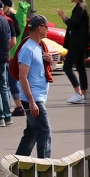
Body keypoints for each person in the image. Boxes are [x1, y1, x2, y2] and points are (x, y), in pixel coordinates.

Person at [15, 15, 55, 158]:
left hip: (38, 98)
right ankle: (45, 170)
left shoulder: (38, 47)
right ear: (39, 28)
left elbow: (38, 72)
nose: (48, 30)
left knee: (31, 133)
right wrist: (32, 102)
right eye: (46, 27)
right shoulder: (27, 49)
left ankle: (17, 166)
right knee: (44, 133)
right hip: (33, 99)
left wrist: (50, 63)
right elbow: (22, 77)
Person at [56, 0, 90, 104]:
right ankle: (83, 95)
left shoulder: (80, 8)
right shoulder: (80, 7)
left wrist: (64, 17)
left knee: (67, 66)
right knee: (80, 67)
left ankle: (78, 92)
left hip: (77, 43)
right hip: (80, 42)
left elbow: (73, 24)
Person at [0, 0, 25, 117]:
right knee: (13, 81)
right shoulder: (15, 18)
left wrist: (5, 51)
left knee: (11, 81)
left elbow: (13, 40)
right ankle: (20, 105)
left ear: (4, 7)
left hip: (10, 54)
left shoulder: (9, 20)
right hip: (15, 54)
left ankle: (19, 106)